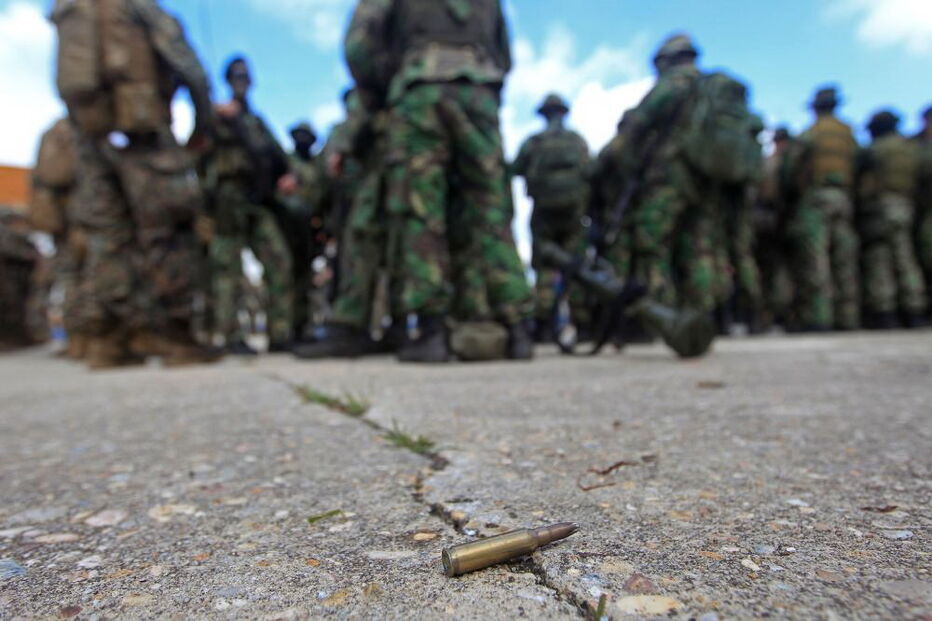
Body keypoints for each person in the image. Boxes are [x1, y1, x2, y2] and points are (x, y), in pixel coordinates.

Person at [344, 0, 534, 363]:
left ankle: (430, 329)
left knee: (420, 208)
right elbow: (504, 54)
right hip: (478, 91)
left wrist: (386, 84)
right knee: (491, 208)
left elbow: (358, 45)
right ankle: (518, 327)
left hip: (419, 90)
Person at [51, 0, 219, 368]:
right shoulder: (137, 6)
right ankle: (177, 335)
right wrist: (204, 124)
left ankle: (110, 341)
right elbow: (188, 66)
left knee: (109, 238)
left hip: (92, 138)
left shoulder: (73, 10)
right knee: (168, 230)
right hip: (141, 129)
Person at [203, 56, 295, 354]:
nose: (241, 81)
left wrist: (289, 176)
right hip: (229, 197)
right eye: (236, 76)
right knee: (228, 267)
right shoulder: (218, 115)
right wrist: (210, 115)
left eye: (245, 76)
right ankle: (229, 336)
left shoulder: (256, 122)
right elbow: (197, 149)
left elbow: (278, 155)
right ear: (228, 80)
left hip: (259, 200)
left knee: (279, 260)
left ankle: (280, 332)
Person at [512, 94, 591, 342]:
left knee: (545, 268)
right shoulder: (577, 141)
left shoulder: (534, 143)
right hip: (574, 213)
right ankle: (584, 323)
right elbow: (590, 171)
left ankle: (544, 325)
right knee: (576, 267)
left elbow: (514, 169)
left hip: (543, 212)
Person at [783, 86, 860, 331]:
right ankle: (848, 317)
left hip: (816, 198)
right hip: (844, 198)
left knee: (816, 257)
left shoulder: (811, 133)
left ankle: (820, 317)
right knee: (844, 257)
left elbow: (790, 168)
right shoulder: (847, 133)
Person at [856, 110, 927, 328]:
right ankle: (915, 308)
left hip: (881, 207)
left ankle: (885, 311)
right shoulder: (912, 149)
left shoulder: (874, 150)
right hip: (908, 207)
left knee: (881, 258)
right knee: (905, 257)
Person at [30, 116, 89, 358]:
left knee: (71, 277)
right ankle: (93, 338)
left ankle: (78, 340)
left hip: (61, 219)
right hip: (84, 217)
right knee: (88, 275)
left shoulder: (50, 135)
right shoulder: (80, 132)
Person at [278, 121, 326, 341]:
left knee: (306, 278)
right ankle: (284, 327)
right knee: (286, 275)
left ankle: (302, 324)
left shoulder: (318, 166)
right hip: (288, 227)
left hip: (311, 229)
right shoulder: (285, 162)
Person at [755, 127, 796, 329]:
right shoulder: (793, 159)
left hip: (775, 220)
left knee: (774, 269)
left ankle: (774, 313)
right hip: (782, 219)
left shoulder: (772, 162)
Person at [0, 209, 40, 351]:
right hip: (9, 278)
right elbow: (10, 250)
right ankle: (9, 339)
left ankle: (14, 339)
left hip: (15, 278)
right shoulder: (5, 233)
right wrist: (33, 256)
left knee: (14, 310)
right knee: (10, 310)